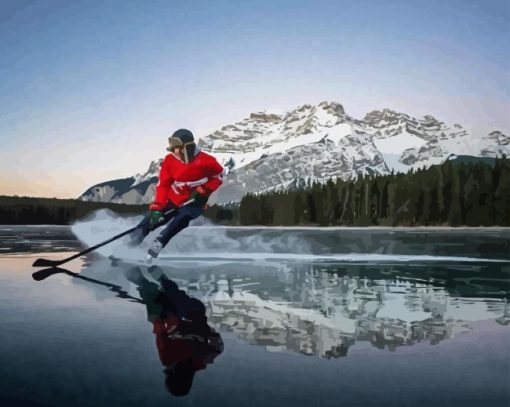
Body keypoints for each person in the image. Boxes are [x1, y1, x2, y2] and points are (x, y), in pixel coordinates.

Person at [131, 128, 223, 261]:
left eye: (179, 148)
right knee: (150, 221)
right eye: (174, 148)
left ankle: (159, 243)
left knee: (182, 218)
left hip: (194, 202)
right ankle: (127, 245)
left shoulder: (207, 161)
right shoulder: (170, 160)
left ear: (188, 147)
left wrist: (205, 189)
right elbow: (164, 184)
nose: (176, 152)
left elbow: (218, 177)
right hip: (172, 199)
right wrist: (157, 207)